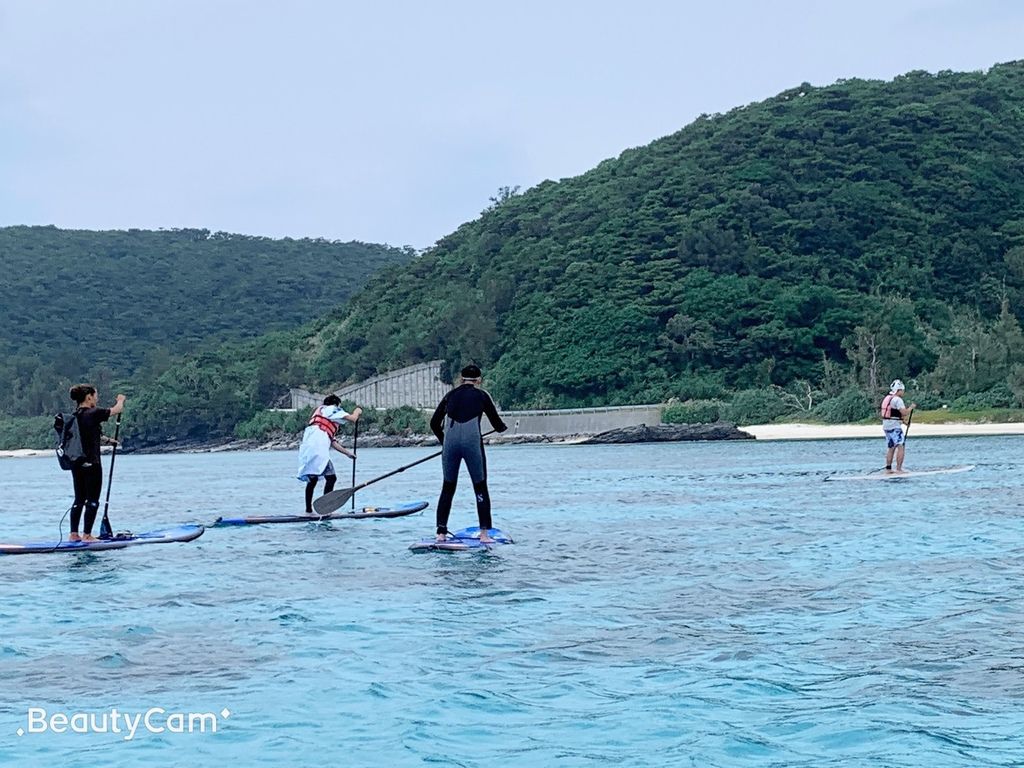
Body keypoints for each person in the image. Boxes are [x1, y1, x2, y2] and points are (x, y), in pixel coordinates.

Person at [430, 364, 508, 543]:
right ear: (478, 380)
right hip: (472, 444)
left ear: (461, 378)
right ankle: (484, 534)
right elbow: (497, 424)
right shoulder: (482, 396)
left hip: (450, 445)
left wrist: (445, 442)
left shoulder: (449, 395)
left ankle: (441, 533)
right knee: (480, 486)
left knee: (448, 487)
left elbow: (434, 423)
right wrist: (502, 428)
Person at [65, 385, 126, 542]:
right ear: (89, 397)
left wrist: (108, 441)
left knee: (79, 498)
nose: (97, 399)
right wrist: (120, 400)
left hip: (76, 463)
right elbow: (116, 410)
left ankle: (73, 534)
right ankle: (87, 535)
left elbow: (91, 434)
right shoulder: (93, 413)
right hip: (92, 463)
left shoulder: (75, 416)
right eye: (95, 396)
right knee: (92, 500)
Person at [297, 394, 362, 514]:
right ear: (336, 404)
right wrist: (357, 411)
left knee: (313, 479)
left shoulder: (320, 414)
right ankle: (326, 509)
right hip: (318, 447)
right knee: (331, 478)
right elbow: (353, 418)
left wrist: (348, 454)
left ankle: (308, 511)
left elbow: (332, 442)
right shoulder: (331, 409)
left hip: (308, 448)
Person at [880, 379, 916, 473]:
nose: (903, 392)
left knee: (891, 447)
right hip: (894, 427)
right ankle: (899, 469)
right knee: (901, 446)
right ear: (898, 390)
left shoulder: (888, 398)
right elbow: (904, 413)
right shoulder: (897, 400)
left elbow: (894, 414)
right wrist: (911, 408)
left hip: (886, 426)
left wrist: (904, 423)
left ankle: (888, 469)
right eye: (902, 390)